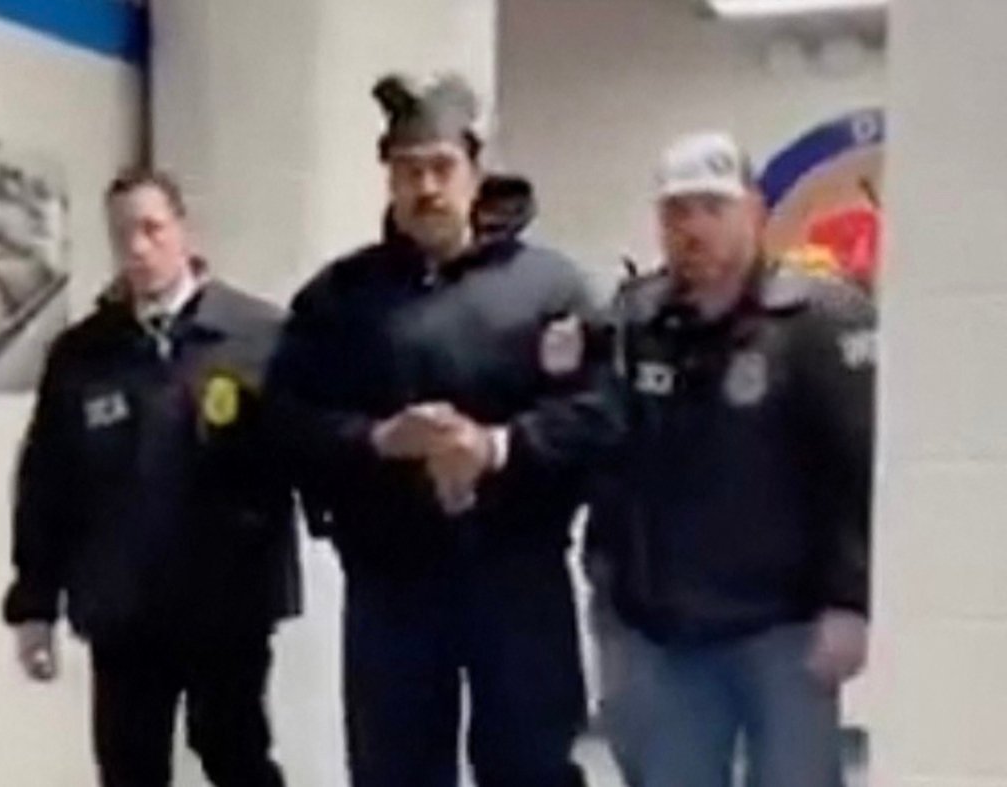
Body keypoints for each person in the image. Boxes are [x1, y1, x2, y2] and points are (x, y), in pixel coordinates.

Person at [268, 72, 616, 787]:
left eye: (441, 167)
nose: (425, 187)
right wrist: (376, 439)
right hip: (391, 586)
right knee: (394, 771)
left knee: (531, 769)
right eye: (407, 171)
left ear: (476, 172)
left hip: (518, 576)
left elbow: (599, 412)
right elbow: (285, 421)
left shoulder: (550, 289)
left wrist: (496, 447)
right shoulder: (339, 301)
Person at [590, 132, 875, 787]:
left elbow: (852, 472)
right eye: (676, 212)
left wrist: (849, 602)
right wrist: (609, 589)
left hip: (786, 629)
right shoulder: (634, 322)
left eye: (712, 208)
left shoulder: (818, 319)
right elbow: (608, 456)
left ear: (754, 211)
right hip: (665, 630)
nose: (693, 229)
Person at [2, 168, 299, 787]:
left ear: (184, 230)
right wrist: (34, 603)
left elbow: (310, 450)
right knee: (128, 768)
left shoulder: (259, 336)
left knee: (235, 756)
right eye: (122, 235)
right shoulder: (83, 353)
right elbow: (47, 482)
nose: (137, 248)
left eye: (152, 229)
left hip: (227, 599)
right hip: (123, 606)